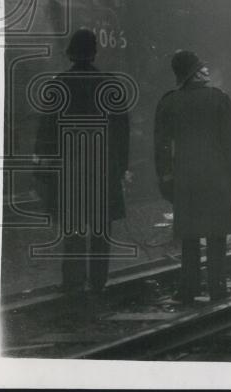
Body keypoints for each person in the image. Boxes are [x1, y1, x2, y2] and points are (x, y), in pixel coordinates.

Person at [33, 28, 132, 293]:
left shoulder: (59, 84)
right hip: (102, 166)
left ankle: (73, 282)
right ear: (94, 53)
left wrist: (43, 163)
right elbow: (122, 130)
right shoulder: (109, 83)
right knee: (100, 228)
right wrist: (122, 166)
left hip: (70, 167)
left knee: (73, 228)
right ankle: (98, 282)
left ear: (71, 54)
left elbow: (47, 129)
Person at [154, 50, 231, 303]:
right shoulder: (219, 99)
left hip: (186, 177)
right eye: (201, 68)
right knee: (217, 235)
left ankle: (189, 288)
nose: (206, 71)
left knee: (190, 236)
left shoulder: (169, 102)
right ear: (191, 73)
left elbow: (161, 147)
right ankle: (218, 287)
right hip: (217, 176)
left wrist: (165, 179)